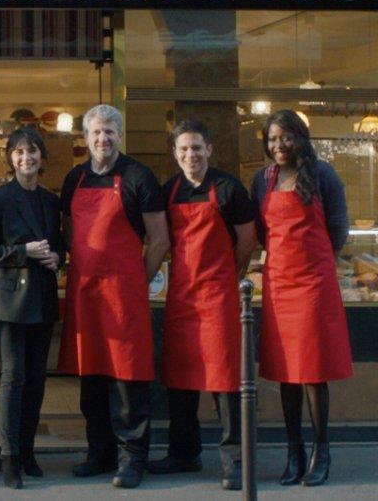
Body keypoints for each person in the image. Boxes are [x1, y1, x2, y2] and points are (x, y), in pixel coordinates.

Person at [58, 104, 170, 489]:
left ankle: (132, 457)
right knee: (91, 378)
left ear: (119, 136)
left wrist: (138, 280)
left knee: (128, 380)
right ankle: (99, 452)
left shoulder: (138, 177)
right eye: (96, 133)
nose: (102, 139)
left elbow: (159, 239)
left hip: (124, 294)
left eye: (109, 132)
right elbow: (70, 230)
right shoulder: (74, 178)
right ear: (85, 138)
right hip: (86, 292)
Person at [149, 119, 257, 489]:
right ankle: (184, 453)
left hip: (218, 297)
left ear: (209, 149)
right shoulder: (169, 190)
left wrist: (230, 272)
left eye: (197, 148)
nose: (190, 155)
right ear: (175, 153)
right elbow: (161, 237)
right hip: (181, 297)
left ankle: (235, 461)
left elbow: (247, 240)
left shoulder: (229, 189)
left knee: (226, 381)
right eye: (183, 149)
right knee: (179, 379)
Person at [250, 109, 353, 487]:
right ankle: (293, 451)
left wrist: (317, 262)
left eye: (285, 137)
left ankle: (320, 449)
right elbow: (263, 232)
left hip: (313, 283)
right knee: (285, 372)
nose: (278, 145)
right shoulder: (262, 180)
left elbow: (339, 229)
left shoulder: (323, 174)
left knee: (311, 370)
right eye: (273, 139)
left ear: (300, 138)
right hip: (279, 284)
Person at [0, 126, 63, 489]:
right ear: (11, 158)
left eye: (33, 152)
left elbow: (58, 246)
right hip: (8, 300)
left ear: (42, 157)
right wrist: (22, 252)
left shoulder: (50, 200)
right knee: (13, 378)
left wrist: (57, 257)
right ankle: (8, 457)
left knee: (37, 380)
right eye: (20, 152)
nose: (27, 158)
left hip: (41, 297)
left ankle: (27, 451)